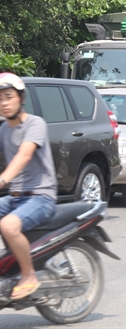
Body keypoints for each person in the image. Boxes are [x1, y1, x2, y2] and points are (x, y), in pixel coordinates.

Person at [0, 73, 57, 300]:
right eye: (0, 99)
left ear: (21, 98)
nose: (3, 103)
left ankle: (28, 274)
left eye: (8, 97)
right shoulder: (4, 129)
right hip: (16, 196)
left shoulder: (35, 124)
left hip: (41, 196)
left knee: (8, 226)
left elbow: (24, 155)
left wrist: (2, 179)